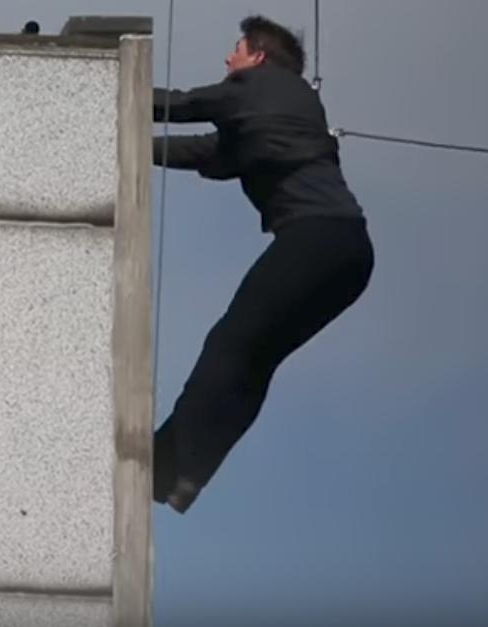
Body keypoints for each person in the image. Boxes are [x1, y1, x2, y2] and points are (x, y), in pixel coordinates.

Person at [151, 15, 375, 513]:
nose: (228, 61)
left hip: (317, 241)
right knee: (255, 359)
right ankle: (185, 474)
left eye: (235, 50)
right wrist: (123, 145)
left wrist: (106, 91)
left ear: (258, 57)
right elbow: (205, 150)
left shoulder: (260, 86)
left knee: (230, 342)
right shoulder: (278, 109)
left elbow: (185, 105)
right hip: (349, 255)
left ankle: (166, 460)